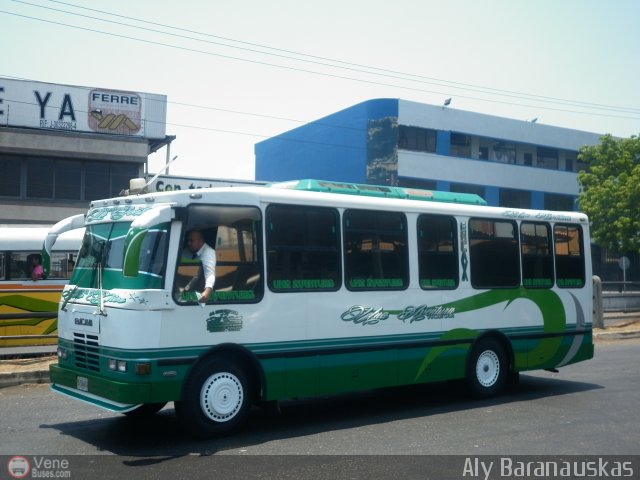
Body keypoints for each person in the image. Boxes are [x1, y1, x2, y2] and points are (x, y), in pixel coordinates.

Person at [183, 229, 216, 303]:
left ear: (200, 241)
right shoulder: (187, 251)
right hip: (189, 291)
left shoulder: (208, 252)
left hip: (202, 296)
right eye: (188, 241)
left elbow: (210, 273)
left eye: (191, 241)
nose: (188, 243)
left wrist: (207, 292)